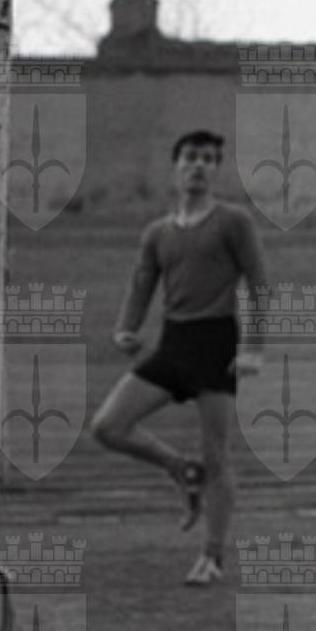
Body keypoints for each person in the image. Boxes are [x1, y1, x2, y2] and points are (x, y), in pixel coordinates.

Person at [90, 130, 267, 586]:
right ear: (176, 166)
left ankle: (212, 556)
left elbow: (259, 284)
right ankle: (179, 467)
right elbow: (141, 284)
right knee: (108, 426)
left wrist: (253, 348)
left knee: (217, 453)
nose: (199, 165)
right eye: (191, 157)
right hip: (173, 342)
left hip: (216, 344)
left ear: (217, 169)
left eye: (208, 159)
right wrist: (126, 327)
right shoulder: (157, 233)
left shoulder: (234, 221)